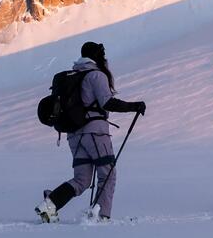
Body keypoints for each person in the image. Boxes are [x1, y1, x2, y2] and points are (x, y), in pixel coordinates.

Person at [35, 41, 146, 223]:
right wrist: (134, 106)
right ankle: (101, 217)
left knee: (82, 180)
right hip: (95, 133)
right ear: (96, 56)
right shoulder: (96, 76)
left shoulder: (75, 75)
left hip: (74, 134)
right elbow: (107, 102)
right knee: (108, 173)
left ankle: (49, 205)